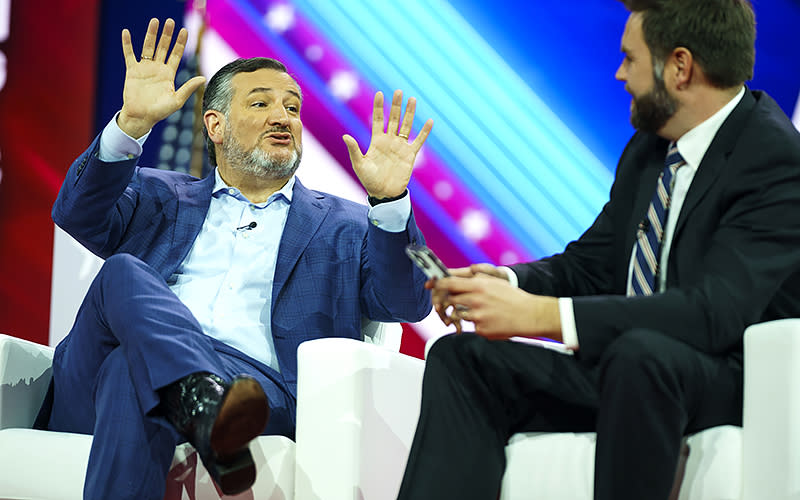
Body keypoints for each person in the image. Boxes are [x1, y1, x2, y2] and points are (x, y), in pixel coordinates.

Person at [396, 1, 800, 499]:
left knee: (640, 354)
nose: (618, 74)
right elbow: (592, 264)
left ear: (679, 66)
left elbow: (713, 312)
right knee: (462, 359)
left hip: (724, 380)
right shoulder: (650, 148)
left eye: (630, 59)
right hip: (630, 371)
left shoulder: (776, 160)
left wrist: (543, 316)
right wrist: (508, 283)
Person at [39, 18, 433, 500]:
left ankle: (203, 403)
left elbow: (408, 302)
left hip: (252, 395)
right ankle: (203, 401)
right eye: (261, 102)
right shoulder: (160, 194)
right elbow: (77, 213)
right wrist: (131, 126)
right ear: (215, 124)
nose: (283, 116)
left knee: (132, 368)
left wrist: (391, 204)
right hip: (91, 388)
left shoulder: (347, 225)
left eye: (292, 107)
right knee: (122, 275)